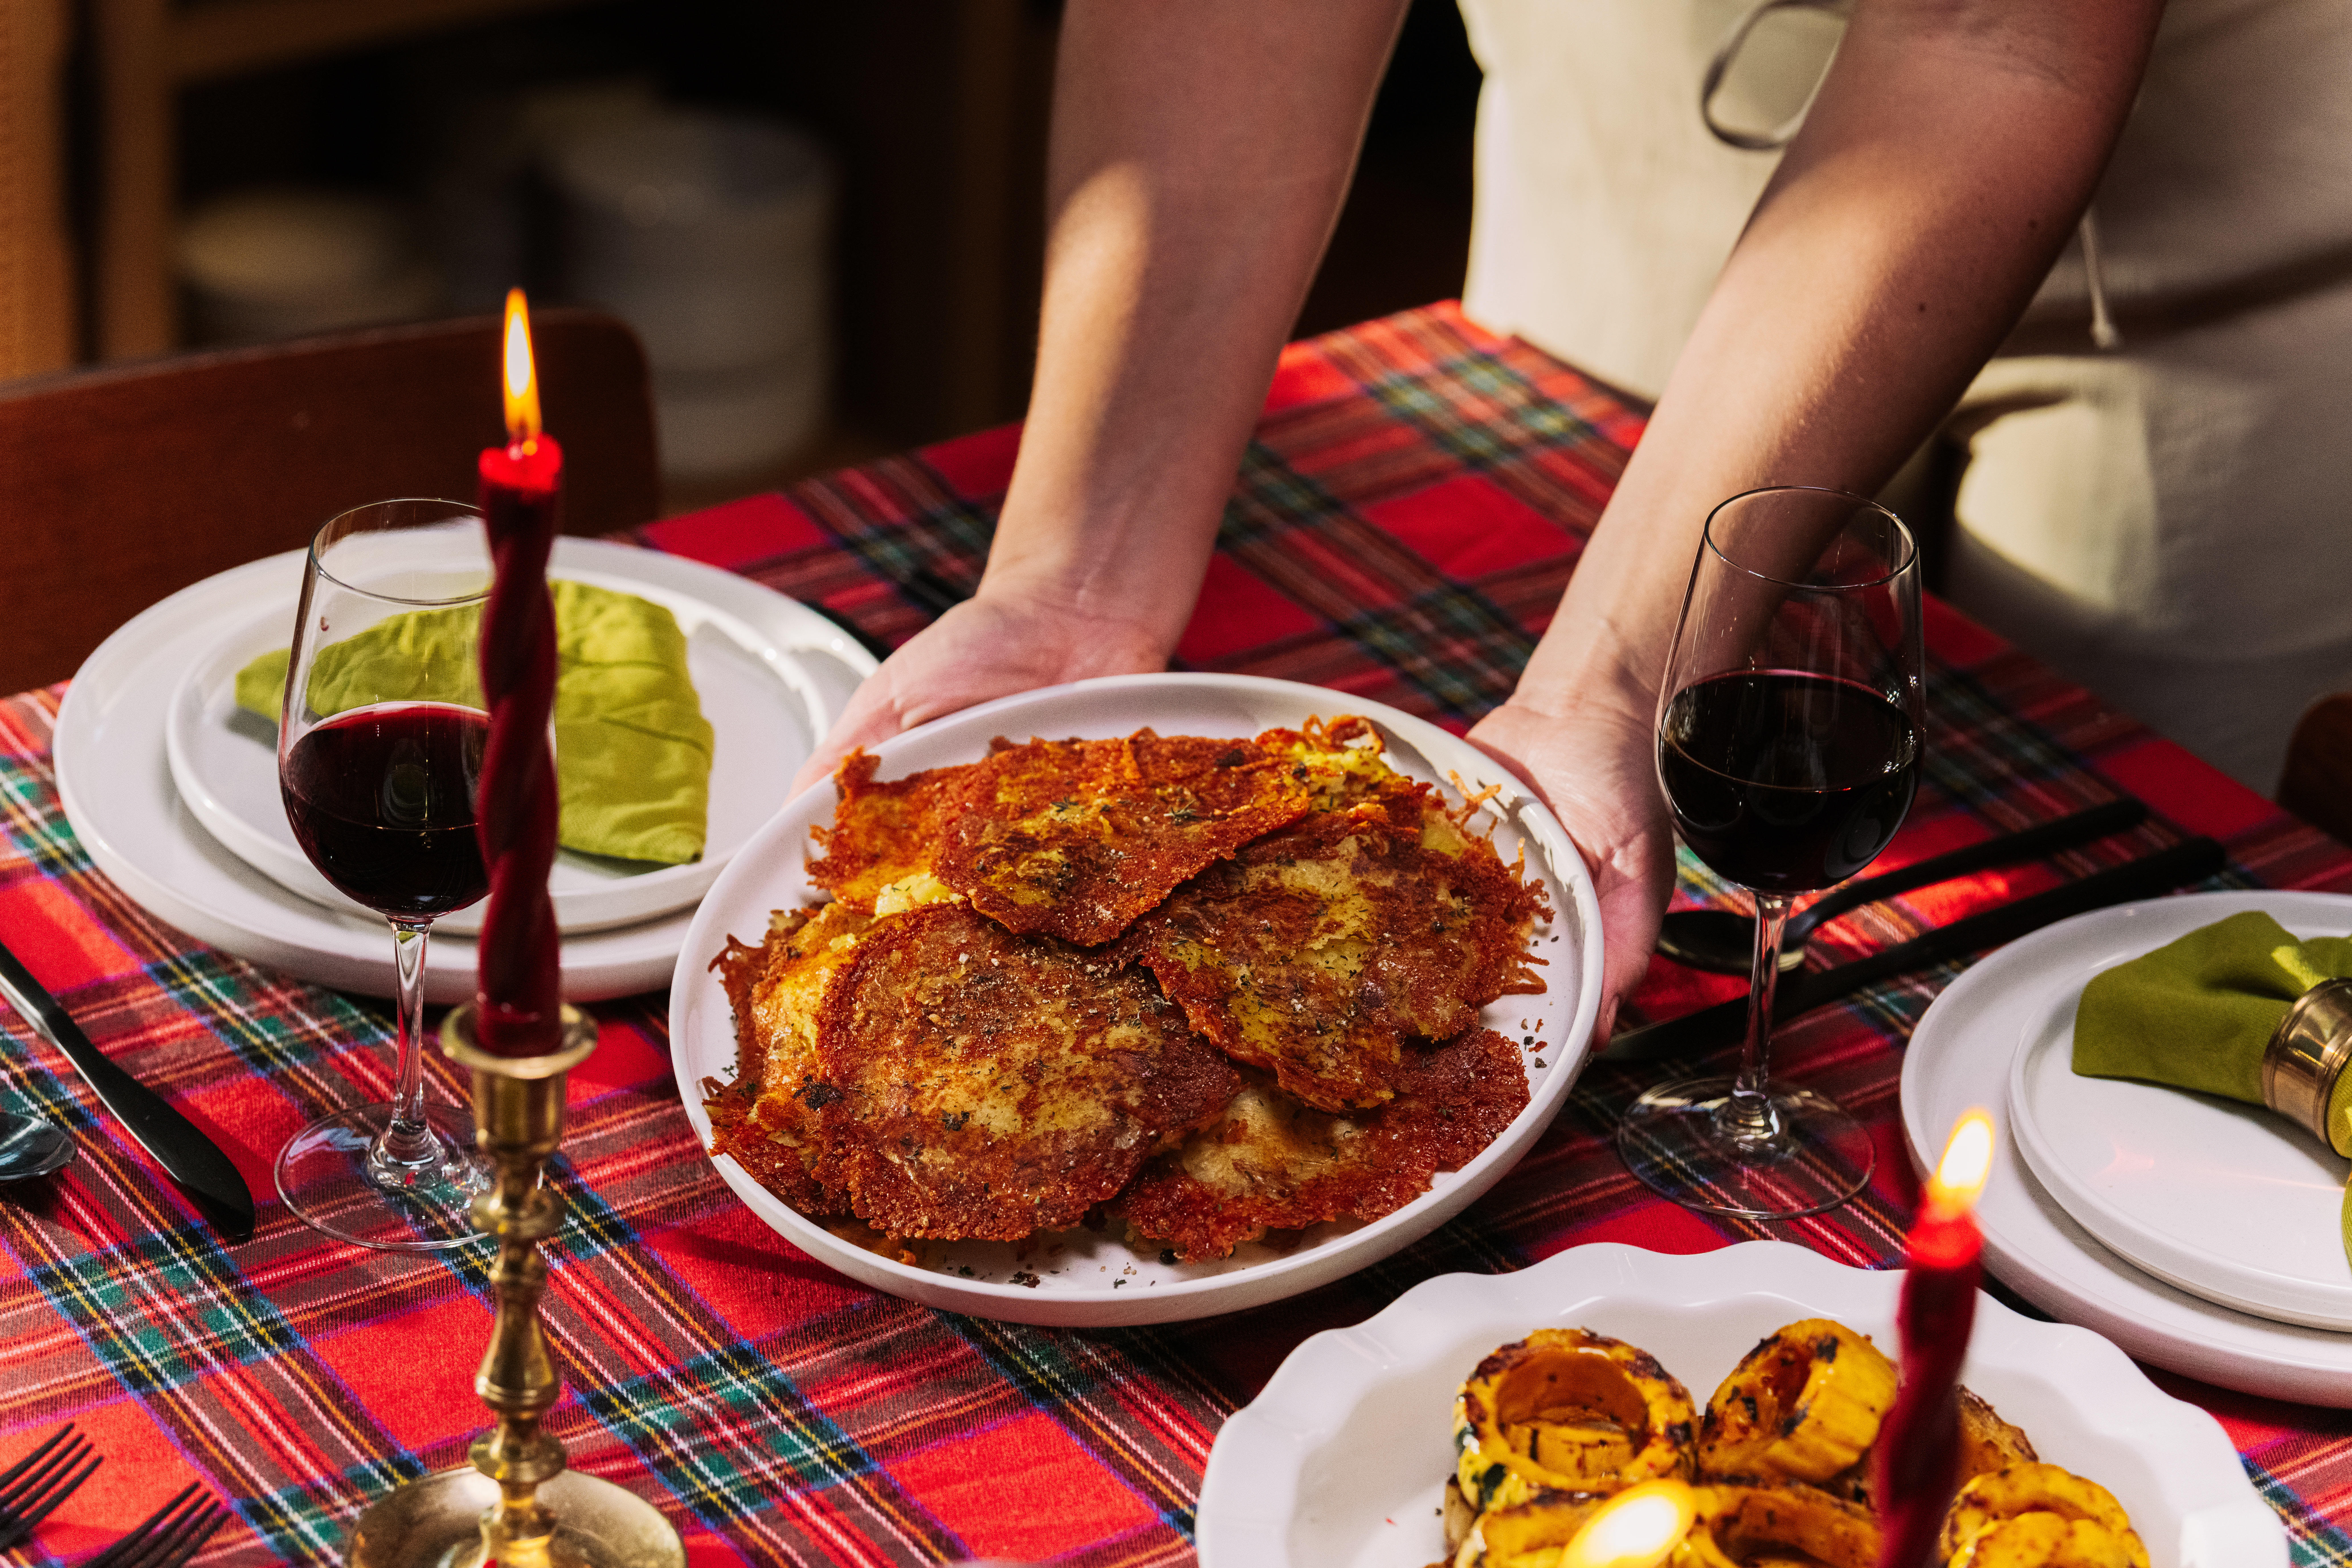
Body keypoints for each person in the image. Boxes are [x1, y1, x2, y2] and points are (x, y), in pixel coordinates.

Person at [789, 0, 2164, 1036]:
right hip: (1648, 91)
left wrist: (1615, 682)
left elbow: (1989, 34)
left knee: (2125, 862)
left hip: (2181, 216)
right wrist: (1072, 578)